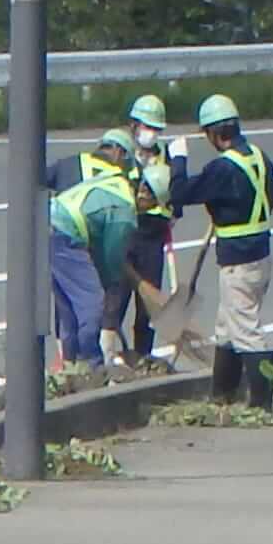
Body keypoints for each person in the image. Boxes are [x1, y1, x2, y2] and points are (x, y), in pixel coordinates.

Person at [181, 91, 273, 409]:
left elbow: (181, 192)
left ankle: (262, 404)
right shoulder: (256, 155)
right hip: (260, 256)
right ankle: (222, 394)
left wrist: (176, 161)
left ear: (213, 133)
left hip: (239, 262)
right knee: (226, 327)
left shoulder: (222, 168)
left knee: (246, 331)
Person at [47, 142, 139, 377]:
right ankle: (92, 365)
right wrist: (110, 283)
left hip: (47, 225)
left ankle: (71, 365)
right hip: (64, 235)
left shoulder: (111, 183)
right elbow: (111, 255)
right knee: (92, 302)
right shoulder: (125, 209)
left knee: (67, 306)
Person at [114, 93, 179, 366]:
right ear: (133, 125)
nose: (150, 134)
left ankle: (143, 357)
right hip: (123, 235)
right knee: (115, 299)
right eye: (146, 127)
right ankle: (108, 358)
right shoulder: (121, 154)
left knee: (148, 306)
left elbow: (176, 195)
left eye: (155, 129)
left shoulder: (167, 157)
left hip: (153, 236)